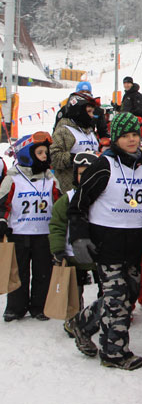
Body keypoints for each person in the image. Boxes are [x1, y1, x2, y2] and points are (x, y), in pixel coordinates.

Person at [67, 112, 142, 370]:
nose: (131, 140)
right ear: (115, 138)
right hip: (106, 244)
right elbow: (78, 203)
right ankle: (114, 353)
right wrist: (80, 236)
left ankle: (82, 323)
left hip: (134, 244)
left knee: (126, 295)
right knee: (117, 301)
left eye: (135, 135)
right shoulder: (103, 165)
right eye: (125, 136)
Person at [0, 132, 59, 322]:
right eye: (40, 152)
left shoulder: (50, 179)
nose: (44, 156)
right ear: (27, 154)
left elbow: (58, 204)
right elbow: (3, 204)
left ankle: (40, 306)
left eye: (46, 152)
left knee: (44, 271)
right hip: (18, 233)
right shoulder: (13, 179)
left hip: (44, 234)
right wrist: (2, 220)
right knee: (19, 271)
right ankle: (16, 307)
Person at [50, 152, 99, 313]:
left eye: (89, 174)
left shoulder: (104, 197)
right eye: (80, 174)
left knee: (106, 287)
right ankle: (73, 316)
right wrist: (58, 250)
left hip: (99, 253)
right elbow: (57, 225)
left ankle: (101, 314)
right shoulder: (68, 199)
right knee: (73, 289)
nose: (84, 177)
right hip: (73, 254)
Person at [50, 92, 100, 193]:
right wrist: (75, 158)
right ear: (79, 111)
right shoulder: (64, 131)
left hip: (91, 187)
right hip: (70, 189)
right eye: (89, 112)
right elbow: (54, 157)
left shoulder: (90, 131)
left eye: (92, 112)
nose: (91, 116)